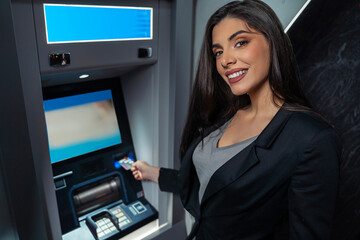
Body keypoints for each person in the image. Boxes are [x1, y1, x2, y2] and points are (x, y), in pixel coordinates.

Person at [131, 1, 341, 239]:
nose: (225, 61)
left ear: (272, 42)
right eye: (218, 52)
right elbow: (209, 181)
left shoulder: (312, 139)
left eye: (240, 43)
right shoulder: (227, 113)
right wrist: (151, 173)